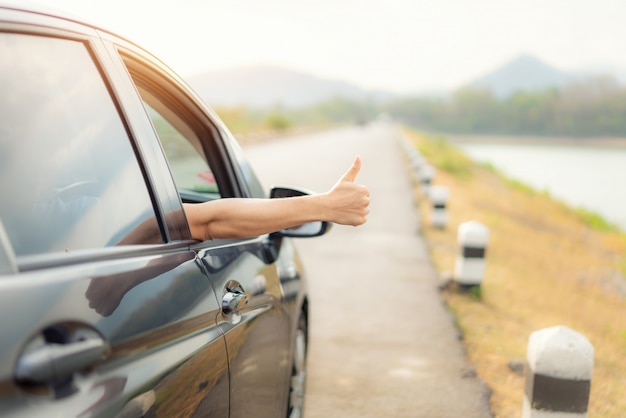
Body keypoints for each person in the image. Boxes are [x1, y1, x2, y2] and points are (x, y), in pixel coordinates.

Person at [184, 155, 369, 241]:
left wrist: (327, 206)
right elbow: (206, 223)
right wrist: (327, 206)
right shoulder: (155, 216)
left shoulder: (154, 213)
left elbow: (205, 222)